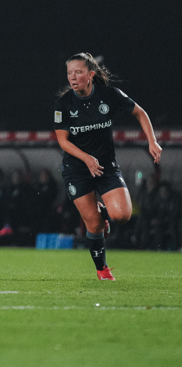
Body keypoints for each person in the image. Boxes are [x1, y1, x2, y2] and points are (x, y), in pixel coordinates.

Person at [53, 52, 161, 280]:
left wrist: (152, 141)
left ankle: (105, 212)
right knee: (93, 224)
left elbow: (140, 113)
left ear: (90, 75)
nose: (73, 77)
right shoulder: (64, 104)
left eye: (78, 72)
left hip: (105, 167)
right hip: (78, 170)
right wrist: (86, 158)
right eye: (69, 73)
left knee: (122, 215)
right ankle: (102, 269)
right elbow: (63, 141)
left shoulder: (109, 95)